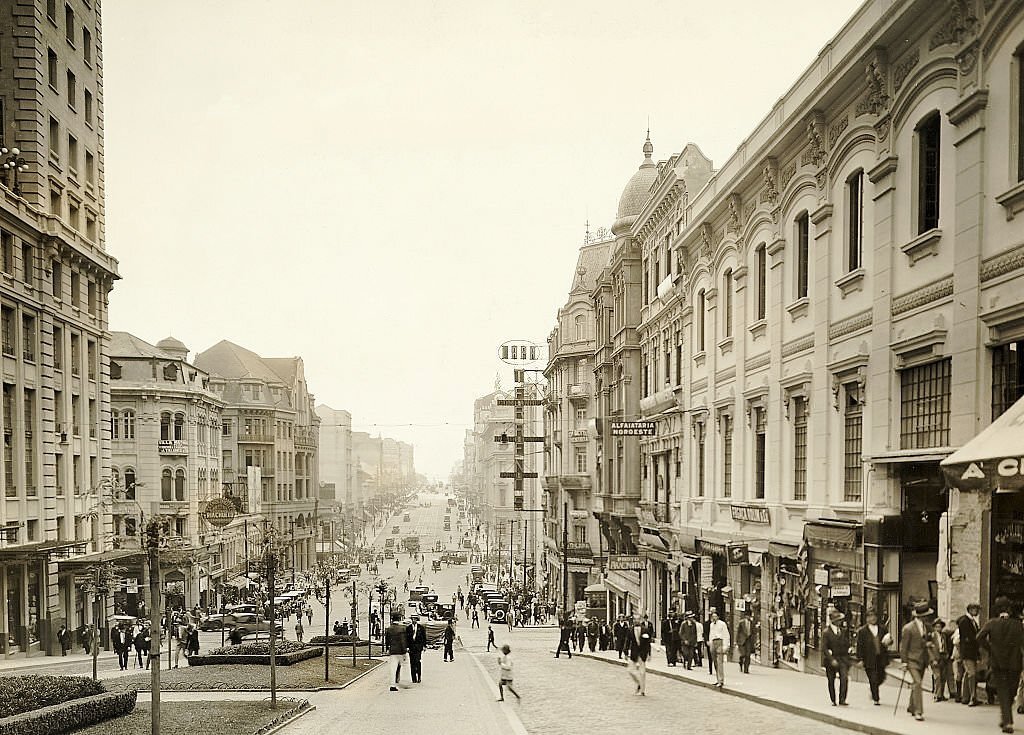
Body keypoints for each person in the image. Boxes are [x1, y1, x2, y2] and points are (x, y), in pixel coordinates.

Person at [978, 597, 1024, 734]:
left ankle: (1007, 720)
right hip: (1015, 663)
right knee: (1011, 692)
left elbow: (979, 637)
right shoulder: (1018, 625)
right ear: (1009, 610)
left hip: (998, 663)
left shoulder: (991, 623)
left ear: (997, 610)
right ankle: (1007, 719)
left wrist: (990, 649)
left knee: (1003, 691)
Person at [900, 602, 933, 721]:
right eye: (926, 615)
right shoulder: (908, 628)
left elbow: (926, 642)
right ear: (920, 616)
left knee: (916, 684)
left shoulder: (927, 627)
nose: (927, 617)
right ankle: (919, 711)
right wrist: (904, 662)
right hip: (912, 660)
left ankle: (911, 706)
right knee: (918, 683)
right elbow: (904, 647)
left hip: (923, 660)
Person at [856, 609, 890, 706]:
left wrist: (889, 641)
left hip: (881, 657)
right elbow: (860, 646)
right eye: (870, 616)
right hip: (869, 659)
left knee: (881, 677)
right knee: (873, 678)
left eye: (874, 616)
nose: (873, 618)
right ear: (867, 618)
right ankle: (876, 698)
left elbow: (888, 640)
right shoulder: (862, 631)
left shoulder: (883, 629)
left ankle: (873, 688)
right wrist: (860, 659)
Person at [821, 609, 851, 706]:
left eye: (840, 620)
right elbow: (824, 648)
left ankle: (842, 699)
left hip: (842, 659)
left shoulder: (843, 631)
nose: (840, 622)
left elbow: (846, 644)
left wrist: (849, 649)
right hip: (831, 660)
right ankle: (833, 699)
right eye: (838, 620)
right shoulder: (826, 632)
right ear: (834, 621)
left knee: (844, 678)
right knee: (831, 680)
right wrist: (831, 659)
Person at [957, 602, 983, 706]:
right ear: (971, 610)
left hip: (971, 652)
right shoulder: (965, 621)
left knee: (968, 673)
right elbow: (968, 637)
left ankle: (965, 697)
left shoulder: (972, 621)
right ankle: (972, 697)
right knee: (972, 674)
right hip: (967, 651)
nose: (977, 612)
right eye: (976, 609)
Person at [625, 613, 655, 696]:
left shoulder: (645, 630)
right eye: (635, 619)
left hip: (642, 653)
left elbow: (648, 643)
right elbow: (627, 641)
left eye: (638, 619)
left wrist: (649, 654)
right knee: (630, 670)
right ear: (633, 620)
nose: (636, 621)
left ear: (640, 620)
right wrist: (626, 652)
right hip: (634, 653)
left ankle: (642, 690)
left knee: (642, 672)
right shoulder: (630, 630)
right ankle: (638, 683)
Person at [929, 618, 954, 701]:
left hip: (943, 656)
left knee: (943, 676)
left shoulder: (943, 635)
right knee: (937, 677)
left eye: (940, 627)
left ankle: (941, 694)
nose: (938, 628)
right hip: (935, 657)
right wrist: (932, 659)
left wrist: (946, 654)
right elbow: (929, 649)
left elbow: (946, 645)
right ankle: (937, 695)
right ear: (934, 627)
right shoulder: (932, 636)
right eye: (936, 627)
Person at [384, 612, 408, 692]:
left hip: (393, 650)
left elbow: (387, 640)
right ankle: (401, 681)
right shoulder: (402, 628)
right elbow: (403, 641)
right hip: (400, 651)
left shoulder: (389, 628)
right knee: (403, 666)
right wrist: (404, 651)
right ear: (399, 619)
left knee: (393, 668)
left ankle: (392, 684)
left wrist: (387, 648)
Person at [707, 610, 730, 688]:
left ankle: (721, 680)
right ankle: (717, 679)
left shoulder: (722, 624)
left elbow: (726, 635)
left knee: (719, 662)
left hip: (720, 641)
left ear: (718, 617)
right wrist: (710, 643)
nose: (714, 618)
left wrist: (725, 646)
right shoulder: (711, 625)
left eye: (715, 616)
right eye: (713, 616)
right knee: (715, 662)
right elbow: (711, 634)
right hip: (713, 642)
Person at [407, 615, 427, 683]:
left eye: (415, 619)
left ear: (417, 620)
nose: (414, 620)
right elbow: (406, 638)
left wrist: (424, 646)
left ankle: (419, 676)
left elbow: (424, 637)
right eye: (412, 619)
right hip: (411, 647)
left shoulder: (421, 628)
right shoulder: (408, 628)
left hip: (418, 647)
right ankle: (413, 678)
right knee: (412, 662)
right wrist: (407, 647)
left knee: (418, 661)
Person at [735, 609, 753, 674]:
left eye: (749, 616)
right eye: (747, 616)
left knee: (748, 655)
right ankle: (740, 663)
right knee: (743, 654)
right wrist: (736, 641)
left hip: (748, 640)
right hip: (742, 641)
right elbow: (738, 632)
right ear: (745, 616)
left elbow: (753, 632)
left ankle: (746, 669)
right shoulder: (741, 622)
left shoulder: (752, 622)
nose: (748, 617)